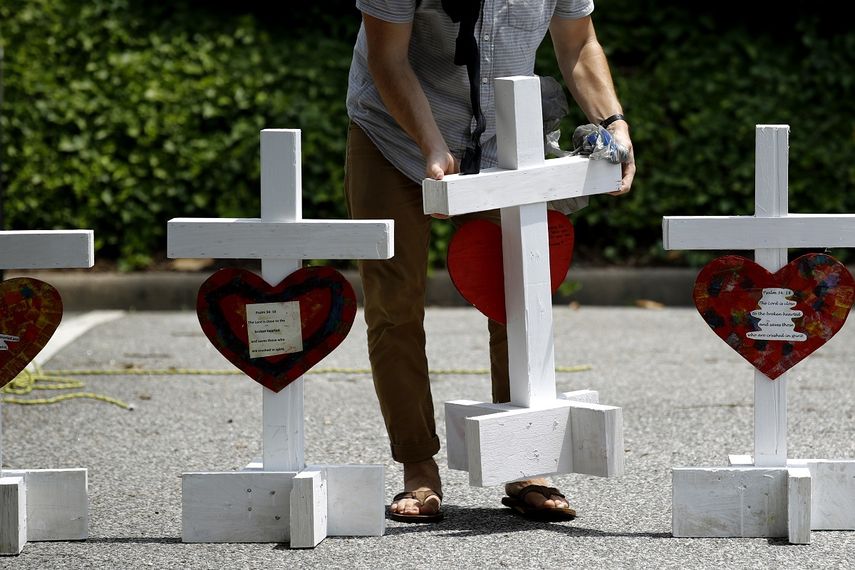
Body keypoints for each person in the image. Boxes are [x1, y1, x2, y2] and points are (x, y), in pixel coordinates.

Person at [344, 0, 635, 522]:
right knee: (395, 303)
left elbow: (578, 42)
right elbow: (388, 58)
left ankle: (525, 459)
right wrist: (431, 144)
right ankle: (417, 465)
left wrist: (614, 122)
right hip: (391, 134)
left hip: (506, 139)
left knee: (521, 293)